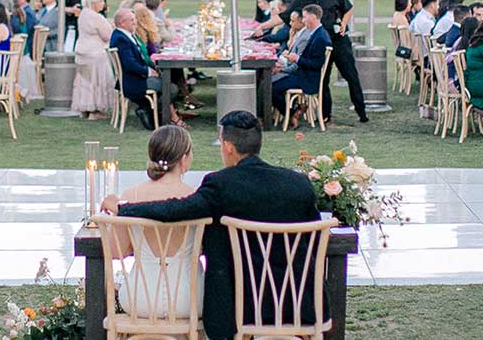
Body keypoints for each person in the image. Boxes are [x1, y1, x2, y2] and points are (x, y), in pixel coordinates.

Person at [100, 111, 320, 340]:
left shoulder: (221, 185)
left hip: (241, 308)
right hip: (300, 304)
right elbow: (314, 241)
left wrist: (124, 208)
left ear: (227, 147)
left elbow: (175, 210)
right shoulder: (299, 184)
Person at [106, 125, 201, 318]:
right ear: (184, 159)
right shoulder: (196, 198)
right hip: (189, 299)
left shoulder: (130, 196)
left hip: (139, 298)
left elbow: (115, 251)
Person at [263, 0, 368, 124]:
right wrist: (262, 27)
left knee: (351, 76)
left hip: (339, 41)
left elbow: (349, 8)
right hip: (321, 44)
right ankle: (325, 115)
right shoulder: (302, 0)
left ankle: (361, 112)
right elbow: (283, 17)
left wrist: (344, 23)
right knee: (323, 80)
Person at [111, 9, 185, 129]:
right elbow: (130, 64)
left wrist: (153, 66)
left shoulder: (126, 35)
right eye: (132, 20)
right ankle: (153, 113)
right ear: (122, 23)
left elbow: (141, 57)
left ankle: (151, 112)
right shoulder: (121, 38)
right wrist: (149, 72)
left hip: (136, 77)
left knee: (170, 81)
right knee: (171, 88)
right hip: (133, 81)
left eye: (134, 19)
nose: (135, 22)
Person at [272, 5, 331, 129]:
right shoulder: (316, 33)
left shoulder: (320, 37)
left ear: (313, 17)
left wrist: (297, 59)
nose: (303, 21)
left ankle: (292, 114)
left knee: (271, 88)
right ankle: (293, 111)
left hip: (307, 79)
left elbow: (316, 64)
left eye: (304, 17)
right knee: (270, 82)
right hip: (302, 74)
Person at [71, 0, 115, 119]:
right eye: (101, 1)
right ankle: (96, 111)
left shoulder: (83, 14)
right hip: (96, 54)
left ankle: (85, 109)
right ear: (94, 2)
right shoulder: (97, 17)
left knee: (85, 82)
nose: (103, 4)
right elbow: (107, 36)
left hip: (82, 52)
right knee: (98, 82)